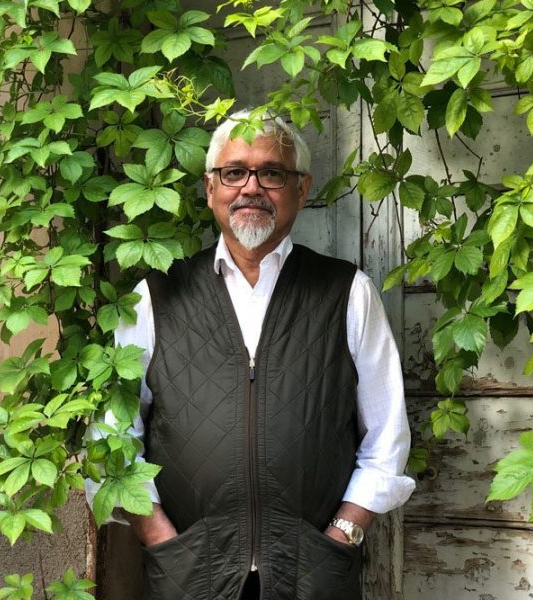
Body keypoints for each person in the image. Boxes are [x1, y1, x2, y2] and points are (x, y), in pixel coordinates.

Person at [86, 110, 414, 600]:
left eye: (272, 173)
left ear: (301, 189)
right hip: (189, 574)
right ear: (209, 188)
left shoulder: (347, 292)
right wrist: (159, 537)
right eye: (234, 172)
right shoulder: (157, 296)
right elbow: (114, 437)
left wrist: (343, 533)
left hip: (313, 575)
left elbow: (387, 435)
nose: (251, 188)